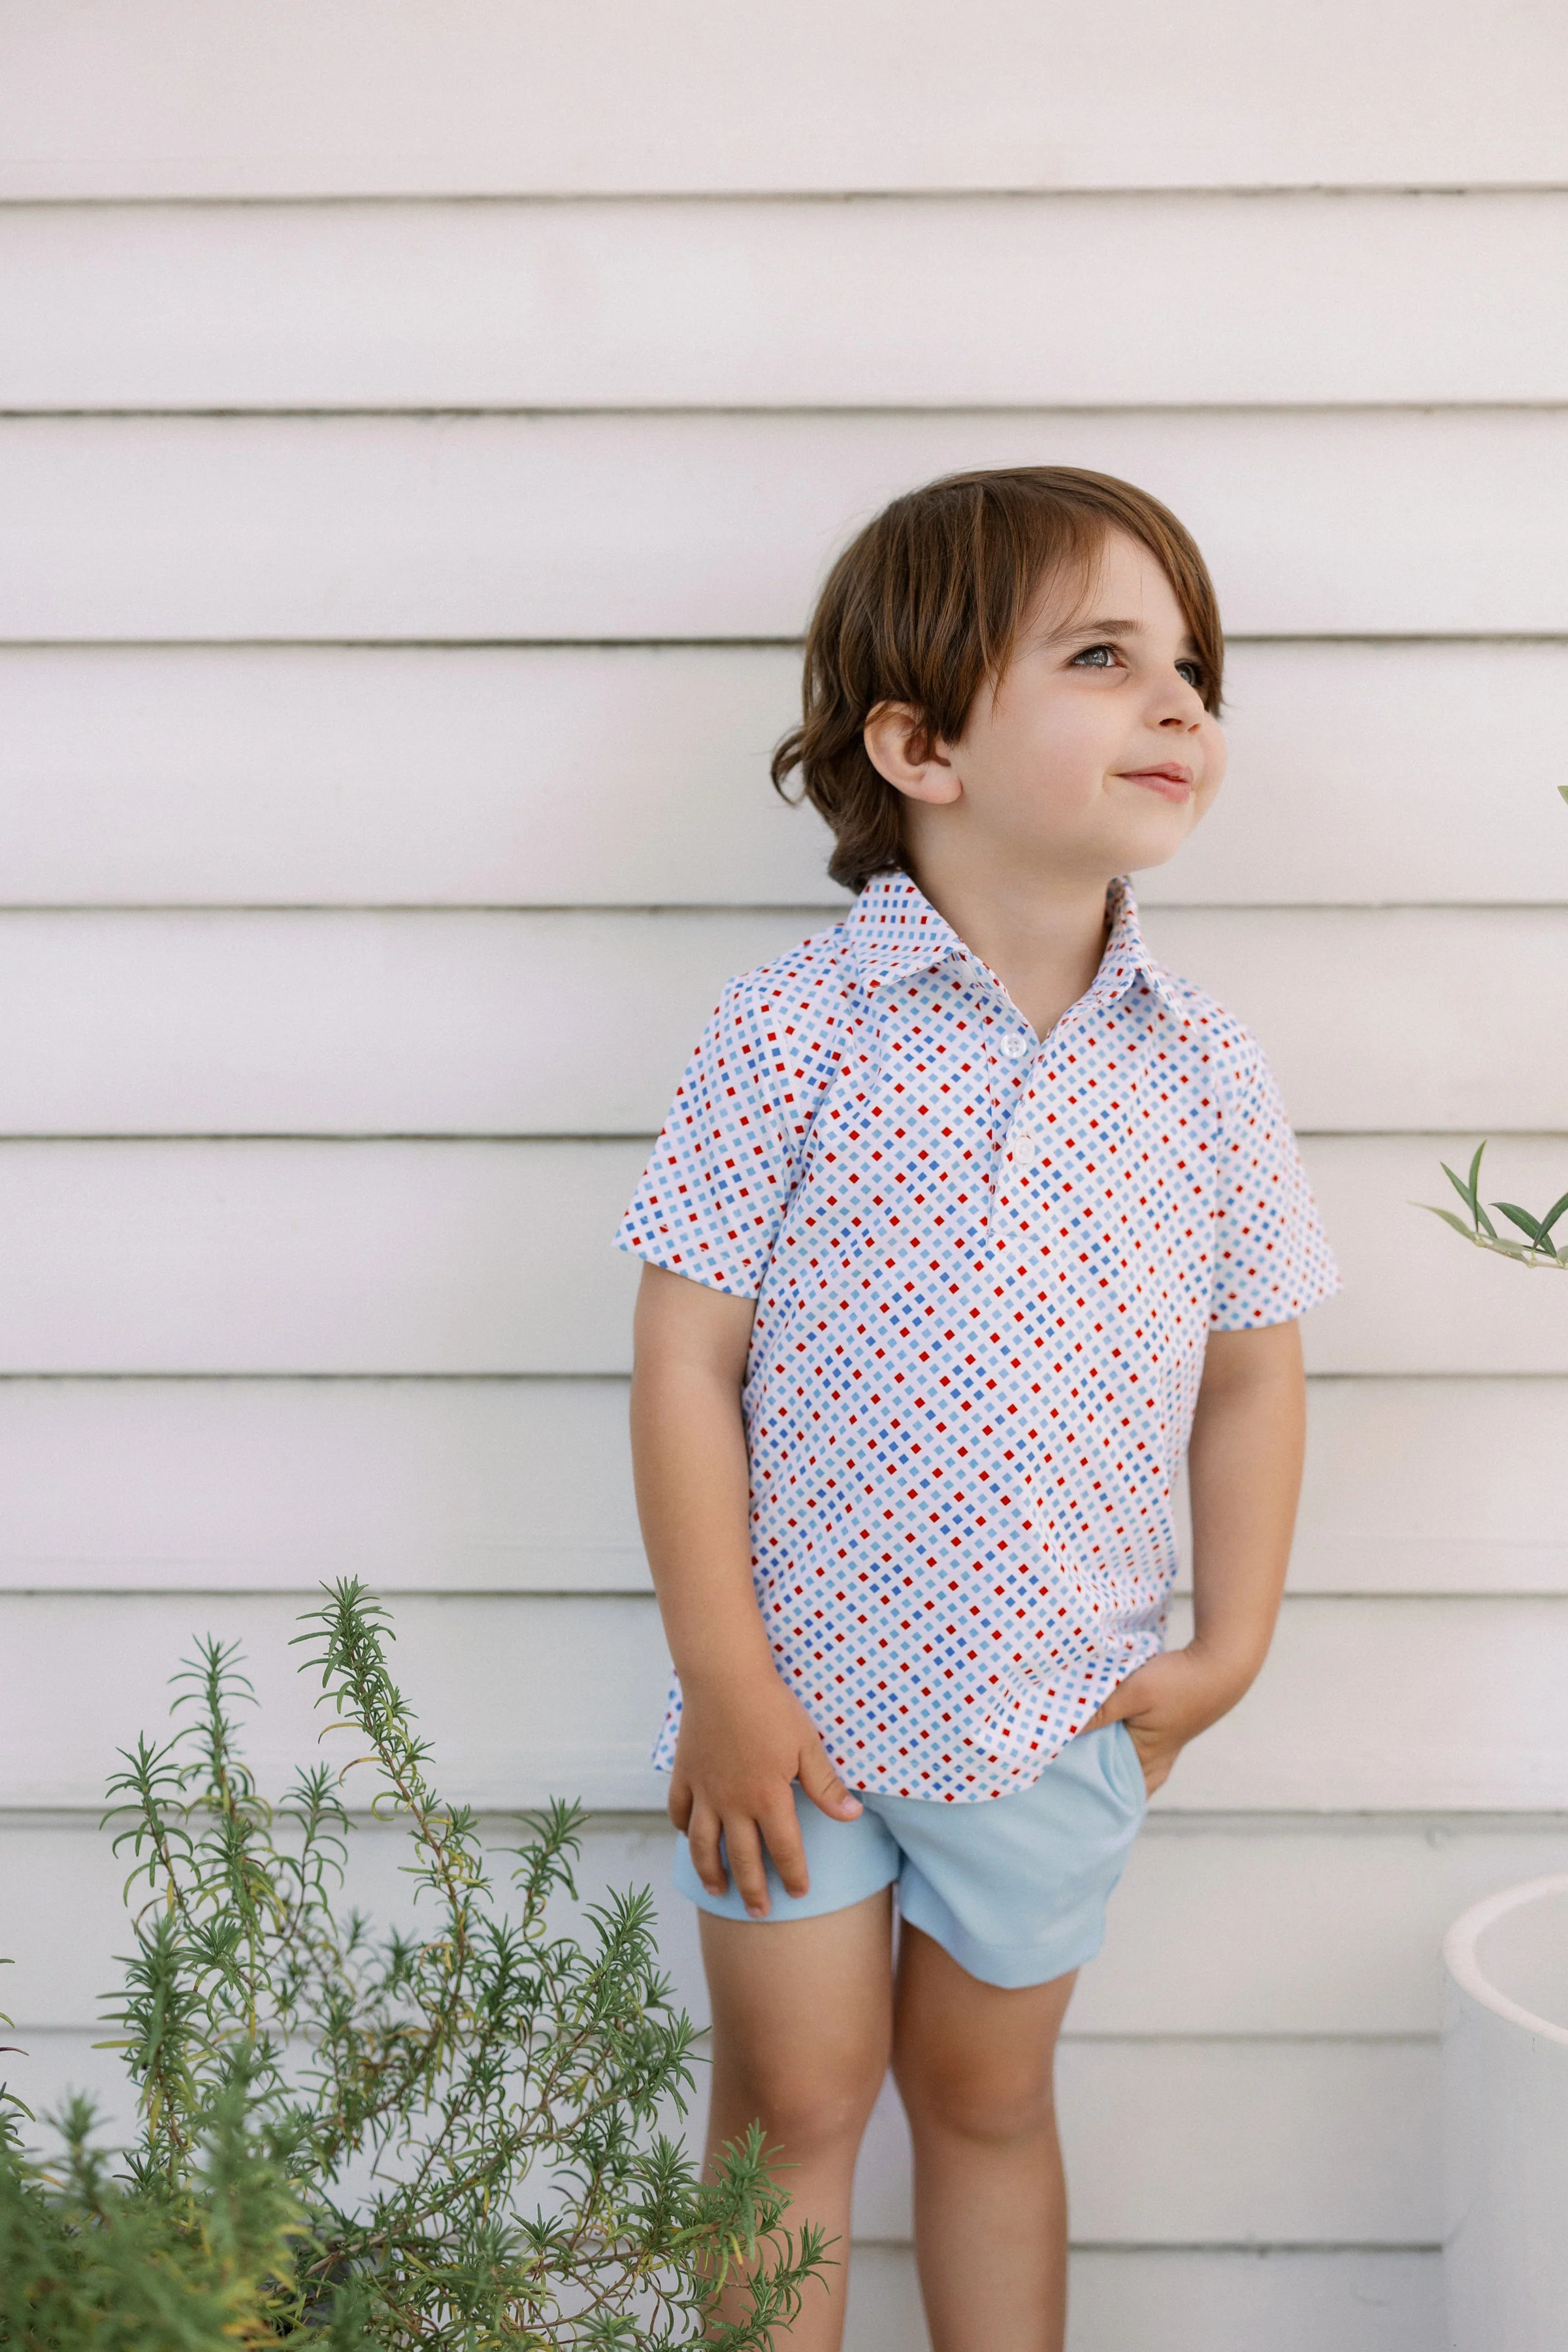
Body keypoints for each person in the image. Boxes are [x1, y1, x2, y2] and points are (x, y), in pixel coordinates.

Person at [616, 466, 1338, 2352]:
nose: (1183, 704)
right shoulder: (791, 1035)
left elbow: (1252, 1369)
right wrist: (724, 1678)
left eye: (1195, 668)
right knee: (798, 2103)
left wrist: (1233, 1641)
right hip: (795, 1715)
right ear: (919, 741)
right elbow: (686, 1359)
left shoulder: (1209, 1071)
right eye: (1106, 657)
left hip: (1053, 1709)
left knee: (991, 2103)